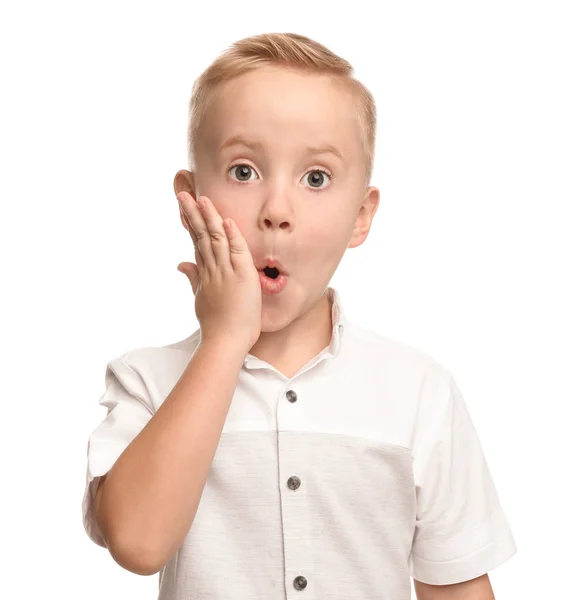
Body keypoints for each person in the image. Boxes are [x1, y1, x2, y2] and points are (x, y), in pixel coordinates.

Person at [82, 32, 517, 600]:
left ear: (361, 216)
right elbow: (138, 543)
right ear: (190, 201)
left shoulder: (418, 391)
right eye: (244, 171)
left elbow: (457, 587)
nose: (276, 212)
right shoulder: (147, 380)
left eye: (315, 178)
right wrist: (225, 341)